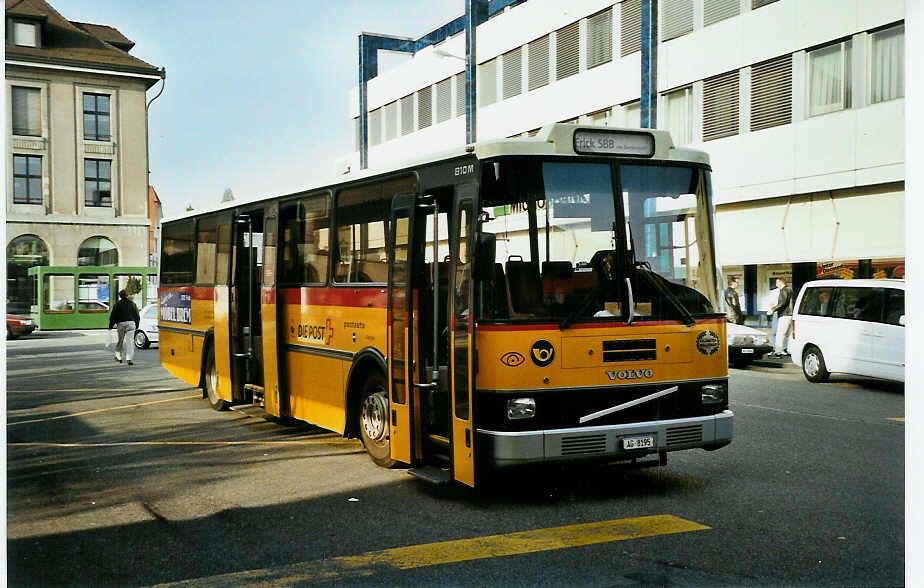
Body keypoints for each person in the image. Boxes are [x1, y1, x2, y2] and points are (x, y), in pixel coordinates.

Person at [109, 289, 140, 365]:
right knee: (130, 342)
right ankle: (129, 359)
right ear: (127, 296)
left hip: (121, 324)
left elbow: (113, 316)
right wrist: (136, 325)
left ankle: (118, 357)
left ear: (120, 296)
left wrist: (110, 326)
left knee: (120, 341)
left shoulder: (117, 304)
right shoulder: (132, 304)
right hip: (131, 324)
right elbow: (137, 316)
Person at [769, 277, 794, 357]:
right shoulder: (790, 290)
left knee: (780, 334)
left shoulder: (784, 290)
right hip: (790, 315)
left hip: (784, 315)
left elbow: (782, 303)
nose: (776, 285)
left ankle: (778, 351)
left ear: (781, 282)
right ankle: (787, 350)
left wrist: (773, 309)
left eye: (777, 283)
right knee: (788, 334)